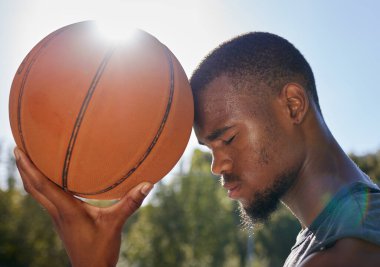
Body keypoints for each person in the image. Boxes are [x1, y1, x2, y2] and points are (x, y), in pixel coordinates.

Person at [14, 32, 380, 267]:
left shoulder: (353, 251)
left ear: (293, 106)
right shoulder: (328, 236)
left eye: (228, 138)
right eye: (208, 149)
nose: (216, 166)